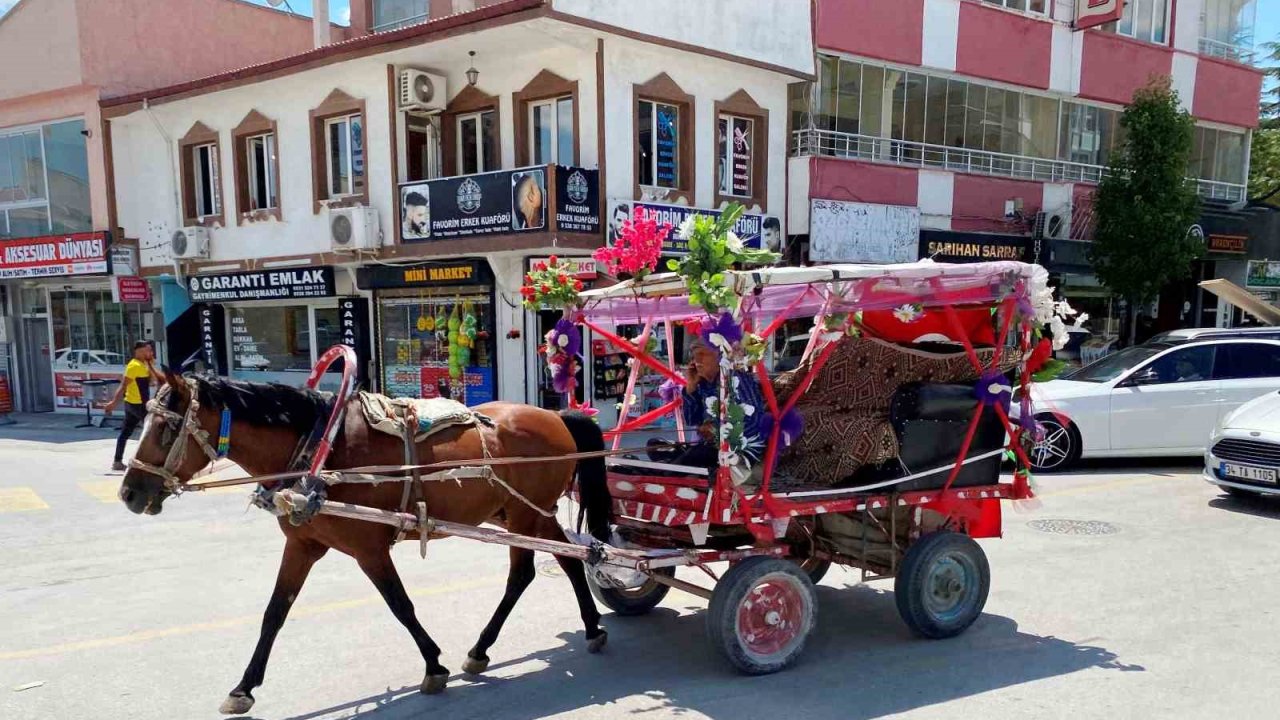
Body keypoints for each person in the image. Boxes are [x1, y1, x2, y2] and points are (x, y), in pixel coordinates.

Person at [673, 337, 768, 467]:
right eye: (695, 356)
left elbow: (755, 420)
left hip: (741, 450)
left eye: (702, 354)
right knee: (658, 447)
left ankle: (663, 475)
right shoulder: (703, 384)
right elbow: (691, 421)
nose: (697, 361)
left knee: (696, 455)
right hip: (711, 448)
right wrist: (691, 388)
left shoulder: (736, 379)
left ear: (719, 357)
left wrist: (718, 432)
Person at [104, 341, 164, 472]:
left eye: (150, 351)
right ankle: (151, 462)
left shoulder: (144, 364)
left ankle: (117, 461)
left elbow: (153, 381)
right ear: (139, 351)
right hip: (138, 405)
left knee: (125, 433)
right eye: (147, 351)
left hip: (134, 404)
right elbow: (123, 386)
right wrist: (113, 403)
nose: (150, 353)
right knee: (153, 432)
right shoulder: (133, 366)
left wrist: (151, 364)